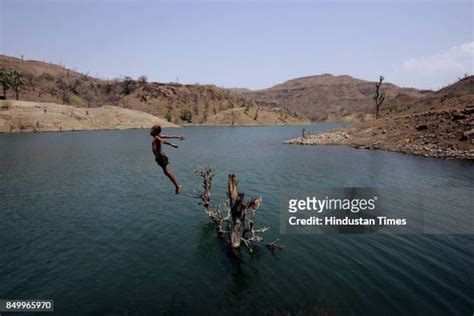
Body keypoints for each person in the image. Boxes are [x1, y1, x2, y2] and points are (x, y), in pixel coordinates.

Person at [150, 125, 185, 194]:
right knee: (166, 172)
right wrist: (177, 136)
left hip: (161, 157)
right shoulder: (157, 136)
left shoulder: (157, 137)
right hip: (159, 157)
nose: (150, 130)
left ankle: (177, 185)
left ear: (154, 131)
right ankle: (177, 185)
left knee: (166, 171)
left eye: (151, 129)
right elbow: (166, 136)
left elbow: (163, 141)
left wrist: (171, 144)